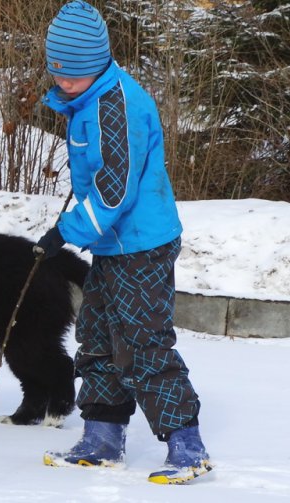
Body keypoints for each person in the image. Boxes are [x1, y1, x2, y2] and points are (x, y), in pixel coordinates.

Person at [33, 0, 212, 485]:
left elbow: (115, 189)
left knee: (143, 342)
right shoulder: (87, 101)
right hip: (112, 244)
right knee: (95, 337)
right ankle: (102, 439)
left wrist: (66, 232)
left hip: (142, 243)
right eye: (56, 73)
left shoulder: (118, 106)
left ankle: (187, 447)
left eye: (71, 74)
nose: (62, 82)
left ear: (95, 65)